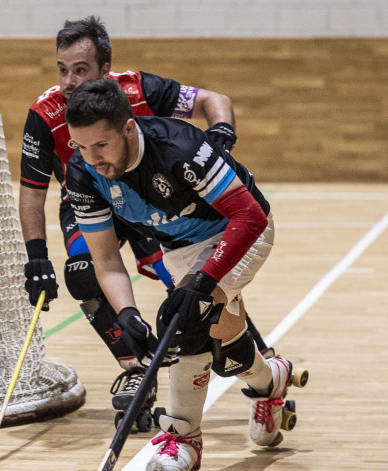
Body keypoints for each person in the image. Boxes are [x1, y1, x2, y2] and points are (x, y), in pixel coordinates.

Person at [19, 15, 268, 414]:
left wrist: (220, 138)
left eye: (80, 71)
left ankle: (237, 335)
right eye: (62, 70)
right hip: (90, 197)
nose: (68, 82)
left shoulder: (138, 89)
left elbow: (214, 100)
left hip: (152, 199)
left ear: (106, 71)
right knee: (84, 271)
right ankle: (137, 364)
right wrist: (35, 257)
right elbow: (32, 194)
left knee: (187, 299)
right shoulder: (46, 114)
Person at [64, 78, 303, 470]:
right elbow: (106, 260)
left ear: (128, 128)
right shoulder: (84, 173)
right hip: (180, 250)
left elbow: (249, 215)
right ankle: (270, 381)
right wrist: (127, 315)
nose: (93, 159)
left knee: (181, 319)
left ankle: (182, 440)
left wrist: (205, 281)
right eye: (81, 146)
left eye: (101, 145)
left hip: (238, 229)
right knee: (225, 349)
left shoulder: (179, 146)